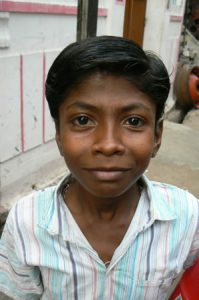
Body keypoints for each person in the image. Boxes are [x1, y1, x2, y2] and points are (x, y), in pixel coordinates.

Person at [0, 36, 198, 300]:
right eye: (83, 120)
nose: (108, 145)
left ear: (157, 136)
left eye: (134, 121)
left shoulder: (187, 218)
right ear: (59, 135)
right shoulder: (27, 222)